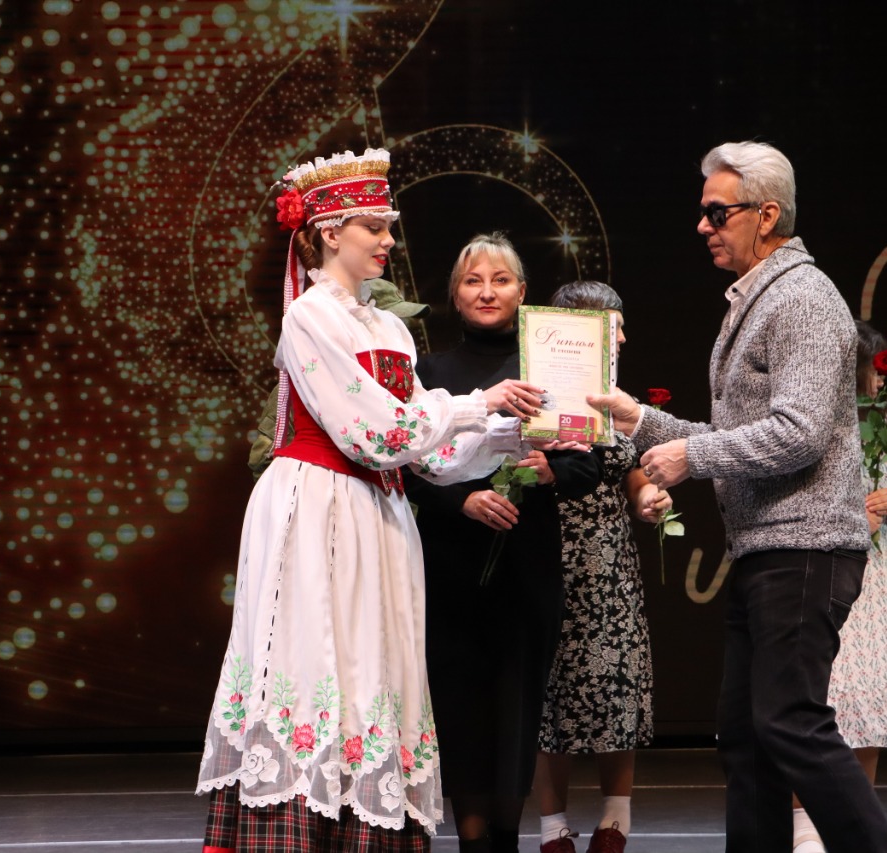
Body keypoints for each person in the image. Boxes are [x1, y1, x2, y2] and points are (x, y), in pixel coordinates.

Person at [195, 149, 550, 853]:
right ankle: (298, 825)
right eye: (375, 227)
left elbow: (429, 452)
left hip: (376, 512)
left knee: (372, 665)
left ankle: (365, 826)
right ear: (330, 232)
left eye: (389, 226)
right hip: (318, 507)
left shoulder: (388, 327)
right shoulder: (310, 318)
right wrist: (478, 403)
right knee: (317, 658)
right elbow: (375, 432)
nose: (389, 240)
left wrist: (515, 432)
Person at [587, 140, 887, 853]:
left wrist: (691, 456)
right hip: (768, 547)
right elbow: (739, 433)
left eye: (716, 212)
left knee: (790, 722)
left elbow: (798, 433)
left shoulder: (801, 298)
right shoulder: (759, 298)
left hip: (805, 544)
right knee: (748, 736)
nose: (702, 226)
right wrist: (640, 421)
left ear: (766, 216)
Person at [404, 234, 604, 853]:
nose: (486, 292)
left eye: (500, 280)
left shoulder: (553, 366)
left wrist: (548, 472)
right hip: (449, 566)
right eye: (473, 281)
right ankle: (471, 841)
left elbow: (588, 463)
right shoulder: (428, 372)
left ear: (523, 293)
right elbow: (401, 467)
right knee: (458, 707)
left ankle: (507, 839)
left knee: (518, 711)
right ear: (454, 294)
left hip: (526, 565)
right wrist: (460, 501)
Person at [532, 281, 671, 853]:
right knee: (550, 694)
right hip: (547, 555)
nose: (623, 337)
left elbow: (630, 474)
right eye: (614, 326)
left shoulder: (618, 402)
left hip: (608, 566)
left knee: (617, 686)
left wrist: (647, 497)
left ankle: (616, 820)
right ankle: (552, 827)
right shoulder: (537, 395)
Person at [790, 320, 887, 853]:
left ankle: (855, 824)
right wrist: (846, 519)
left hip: (876, 582)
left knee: (867, 699)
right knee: (821, 696)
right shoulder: (812, 423)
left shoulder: (885, 426)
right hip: (824, 571)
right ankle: (804, 827)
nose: (876, 379)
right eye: (870, 369)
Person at [247, 279, 432, 478]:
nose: (397, 332)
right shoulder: (309, 380)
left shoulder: (401, 384)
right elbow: (263, 458)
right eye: (387, 322)